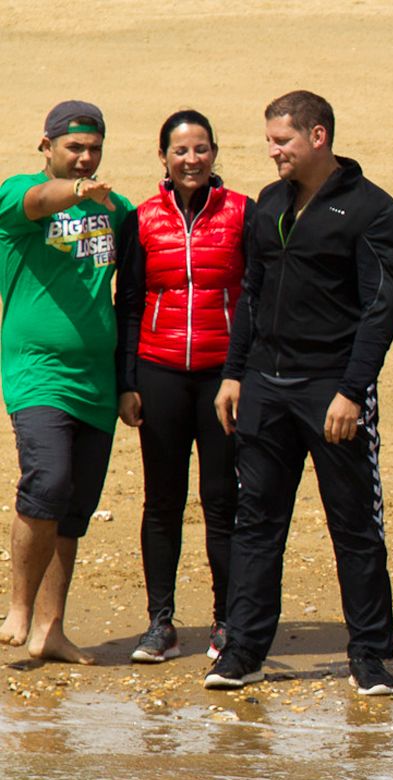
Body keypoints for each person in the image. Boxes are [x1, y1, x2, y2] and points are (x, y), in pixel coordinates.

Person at [208, 91, 393, 695]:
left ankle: (370, 657)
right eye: (269, 140)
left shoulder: (374, 210)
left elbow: (381, 307)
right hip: (265, 386)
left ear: (318, 137)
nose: (272, 152)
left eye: (282, 141)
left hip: (332, 391)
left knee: (354, 526)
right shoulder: (268, 204)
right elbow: (252, 295)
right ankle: (243, 651)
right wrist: (234, 372)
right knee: (257, 523)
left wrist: (352, 390)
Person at [0, 101, 135, 665]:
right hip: (37, 373)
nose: (84, 158)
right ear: (47, 146)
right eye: (73, 148)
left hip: (97, 382)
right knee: (47, 482)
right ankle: (18, 607)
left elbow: (132, 293)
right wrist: (81, 192)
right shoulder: (18, 194)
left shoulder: (117, 209)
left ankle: (50, 628)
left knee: (74, 507)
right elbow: (41, 202)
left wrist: (129, 380)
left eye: (93, 148)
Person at [115, 110, 250, 664]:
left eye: (200, 149)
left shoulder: (243, 212)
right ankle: (160, 623)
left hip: (223, 377)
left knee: (222, 502)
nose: (191, 160)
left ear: (214, 153)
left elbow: (259, 295)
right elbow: (128, 304)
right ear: (163, 158)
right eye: (180, 150)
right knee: (162, 501)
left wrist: (244, 374)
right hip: (160, 372)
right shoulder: (143, 218)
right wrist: (126, 382)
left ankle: (225, 622)